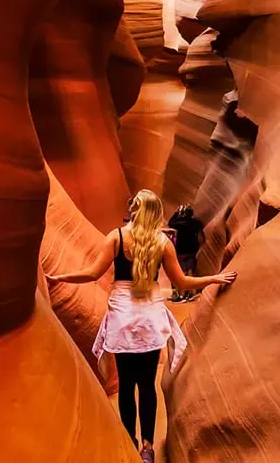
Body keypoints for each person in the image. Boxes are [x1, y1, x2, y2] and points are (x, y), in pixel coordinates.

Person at [46, 190, 236, 462]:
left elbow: (92, 273)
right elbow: (182, 283)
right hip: (149, 318)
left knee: (126, 385)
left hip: (123, 318)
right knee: (147, 385)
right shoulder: (162, 243)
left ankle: (128, 439)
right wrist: (214, 278)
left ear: (135, 210)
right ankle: (147, 447)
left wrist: (59, 276)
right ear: (156, 212)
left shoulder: (116, 238)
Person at [167, 204, 205, 302]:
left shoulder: (178, 223)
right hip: (192, 251)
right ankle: (190, 294)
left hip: (180, 251)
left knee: (180, 272)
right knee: (190, 271)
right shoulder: (195, 223)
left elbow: (170, 223)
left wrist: (176, 213)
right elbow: (200, 227)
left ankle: (181, 294)